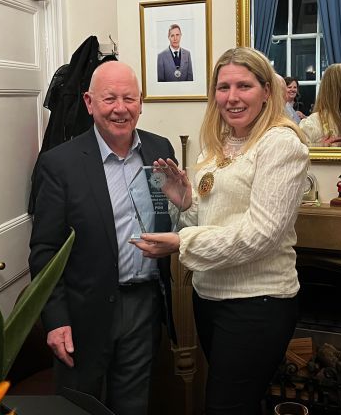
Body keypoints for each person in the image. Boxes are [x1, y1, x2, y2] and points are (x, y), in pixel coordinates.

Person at [131, 47, 309, 414]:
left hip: (258, 304)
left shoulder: (281, 144)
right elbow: (215, 221)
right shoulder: (219, 144)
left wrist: (182, 242)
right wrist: (185, 203)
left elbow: (261, 234)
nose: (232, 97)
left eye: (243, 85)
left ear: (265, 91)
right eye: (223, 86)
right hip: (210, 298)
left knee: (225, 407)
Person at [29, 61, 177, 415]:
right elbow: (44, 251)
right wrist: (56, 319)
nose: (120, 108)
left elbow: (166, 215)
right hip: (83, 312)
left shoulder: (159, 151)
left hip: (144, 305)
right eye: (109, 98)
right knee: (80, 405)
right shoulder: (58, 164)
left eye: (130, 98)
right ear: (89, 102)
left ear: (141, 103)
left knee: (133, 404)